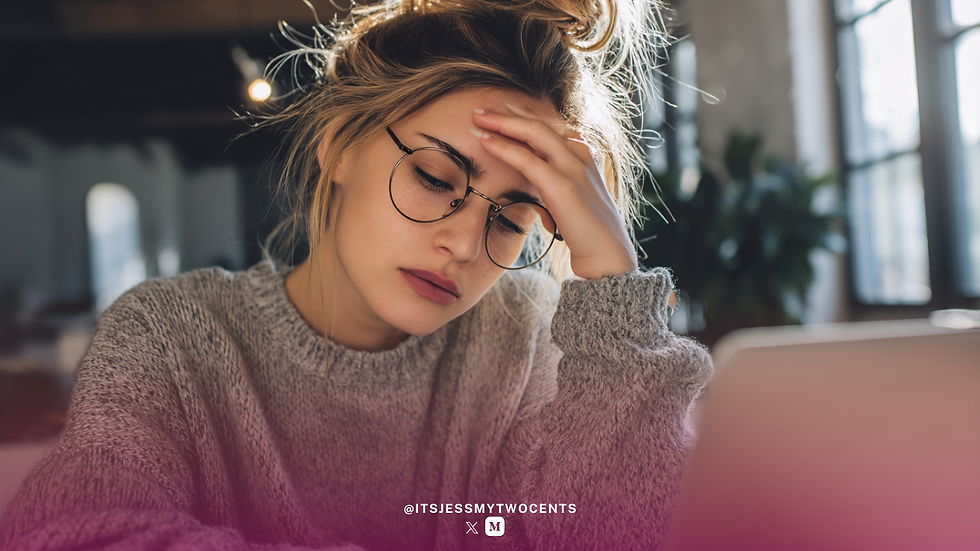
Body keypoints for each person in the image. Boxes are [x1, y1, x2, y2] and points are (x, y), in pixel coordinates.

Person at [1, 0, 712, 549]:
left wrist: (612, 280)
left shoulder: (533, 343)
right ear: (340, 145)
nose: (465, 242)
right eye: (436, 177)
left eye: (509, 218)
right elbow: (77, 535)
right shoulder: (171, 339)